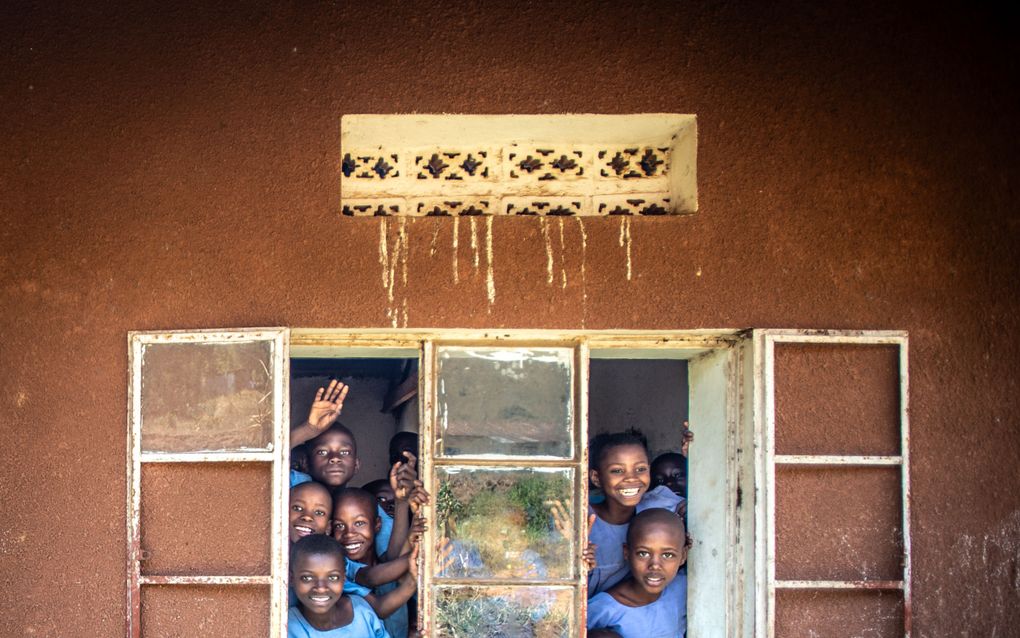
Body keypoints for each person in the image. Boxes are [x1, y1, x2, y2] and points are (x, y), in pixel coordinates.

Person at [587, 429, 686, 595]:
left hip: (630, 614)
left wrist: (693, 457)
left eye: (640, 469)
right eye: (617, 471)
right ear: (596, 478)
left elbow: (706, 506)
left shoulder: (657, 509)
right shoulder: (582, 521)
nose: (631, 478)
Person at [333, 487, 424, 638]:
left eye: (360, 523)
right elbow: (371, 578)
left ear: (377, 525)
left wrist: (404, 507)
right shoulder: (339, 567)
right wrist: (420, 553)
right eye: (339, 525)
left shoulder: (388, 565)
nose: (349, 533)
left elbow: (393, 564)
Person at [587, 509, 688, 638]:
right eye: (643, 554)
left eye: (668, 555)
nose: (655, 565)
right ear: (627, 553)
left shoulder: (684, 589)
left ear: (683, 555)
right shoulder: (604, 609)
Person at [288, 534, 391, 637]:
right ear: (291, 578)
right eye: (307, 578)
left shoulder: (361, 610)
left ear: (344, 577)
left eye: (333, 578)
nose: (321, 588)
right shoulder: (285, 625)